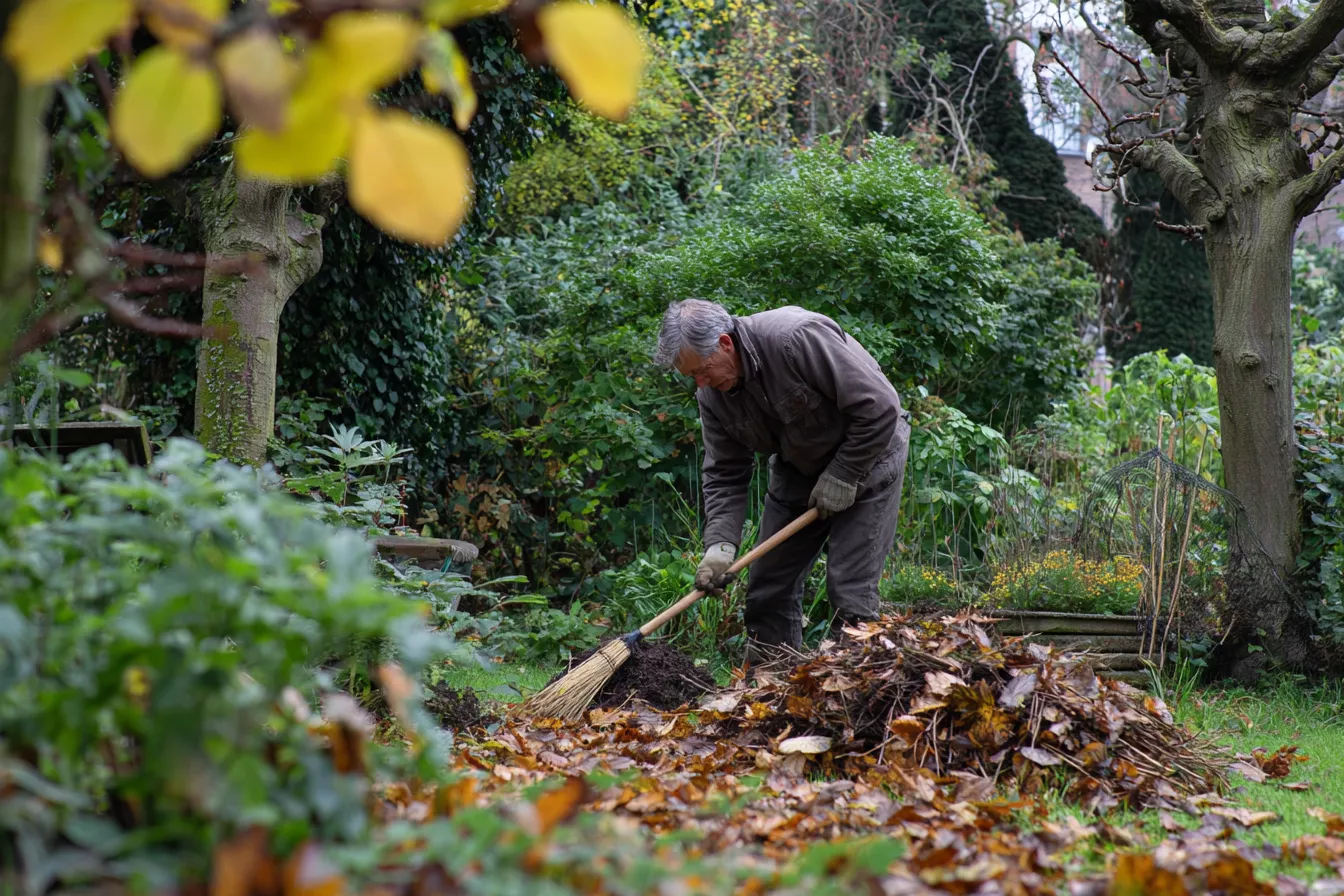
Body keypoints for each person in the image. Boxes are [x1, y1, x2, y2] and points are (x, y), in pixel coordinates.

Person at [653, 298, 911, 665]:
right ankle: (772, 697)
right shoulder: (712, 395)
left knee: (849, 592)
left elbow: (880, 405)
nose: (701, 383)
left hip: (869, 456)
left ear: (725, 344)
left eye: (703, 370)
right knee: (767, 591)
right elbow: (725, 471)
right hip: (798, 469)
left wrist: (843, 473)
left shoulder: (795, 338)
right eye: (691, 376)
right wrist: (721, 546)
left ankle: (857, 696)